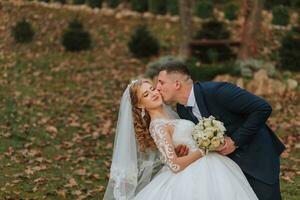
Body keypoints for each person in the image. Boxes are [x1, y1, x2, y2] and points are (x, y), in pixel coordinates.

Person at [104, 79, 258, 200]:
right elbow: (175, 166)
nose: (153, 93)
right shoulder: (157, 126)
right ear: (139, 105)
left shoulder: (172, 114)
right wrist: (204, 149)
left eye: (152, 89)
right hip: (194, 170)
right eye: (145, 95)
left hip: (211, 163)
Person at [155, 61, 286, 200]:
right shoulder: (182, 109)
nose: (157, 88)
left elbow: (262, 108)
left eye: (161, 82)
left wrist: (235, 141)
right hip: (226, 168)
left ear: (177, 84)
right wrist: (183, 147)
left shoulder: (218, 91)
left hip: (257, 158)